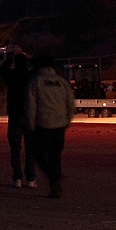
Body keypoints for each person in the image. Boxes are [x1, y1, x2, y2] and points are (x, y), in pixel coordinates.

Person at [25, 54, 75, 198]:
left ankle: (54, 177)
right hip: (59, 126)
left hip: (43, 125)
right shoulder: (61, 82)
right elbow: (70, 104)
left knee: (39, 156)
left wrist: (31, 124)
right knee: (55, 157)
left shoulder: (36, 82)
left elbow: (31, 106)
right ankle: (55, 185)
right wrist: (67, 121)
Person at [0, 50, 37, 188]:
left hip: (15, 114)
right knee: (30, 149)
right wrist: (30, 57)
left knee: (15, 148)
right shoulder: (31, 76)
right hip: (29, 115)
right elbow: (40, 68)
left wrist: (9, 58)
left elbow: (2, 70)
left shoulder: (12, 76)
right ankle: (31, 178)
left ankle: (17, 178)